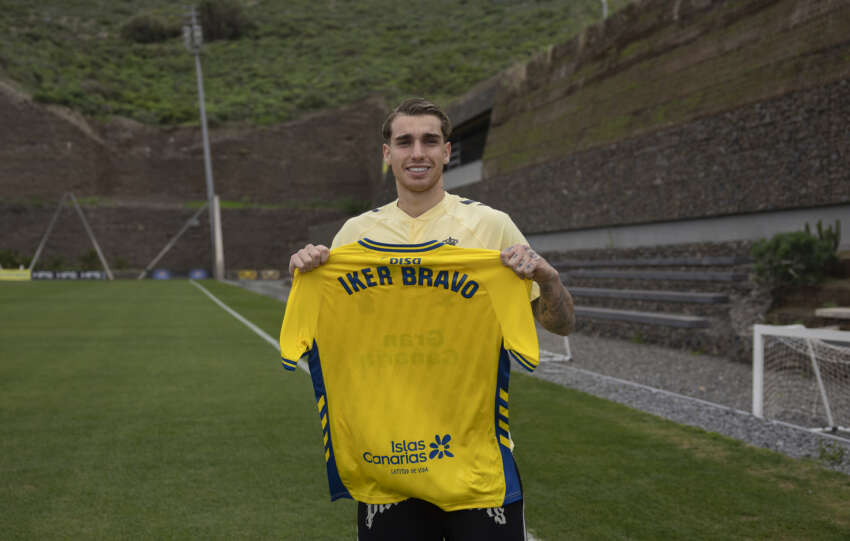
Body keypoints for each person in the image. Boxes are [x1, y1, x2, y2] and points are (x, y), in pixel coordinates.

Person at [287, 97, 574, 540]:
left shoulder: (490, 227)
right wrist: (310, 276)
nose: (417, 152)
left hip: (475, 461)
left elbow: (560, 324)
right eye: (404, 142)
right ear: (388, 154)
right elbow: (329, 334)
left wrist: (548, 278)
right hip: (385, 462)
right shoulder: (354, 235)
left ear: (446, 151)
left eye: (429, 141)